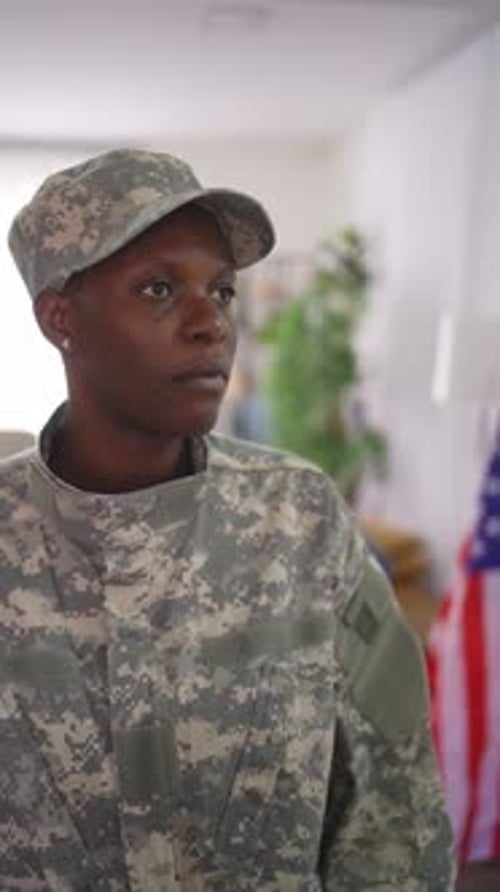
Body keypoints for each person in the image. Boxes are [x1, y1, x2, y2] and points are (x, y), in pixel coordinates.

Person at [1, 148, 454, 891]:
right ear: (59, 317)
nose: (209, 324)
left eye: (221, 291)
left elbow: (393, 806)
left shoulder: (297, 518)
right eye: (156, 289)